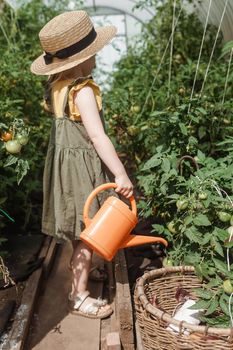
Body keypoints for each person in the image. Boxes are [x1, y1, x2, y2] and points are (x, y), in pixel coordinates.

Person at [30, 10, 133, 319]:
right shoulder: (83, 90)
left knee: (81, 231)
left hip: (65, 167)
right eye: (93, 54)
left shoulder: (57, 86)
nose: (96, 58)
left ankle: (83, 274)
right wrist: (120, 172)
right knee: (87, 235)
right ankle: (78, 295)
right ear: (81, 59)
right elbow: (98, 138)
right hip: (80, 170)